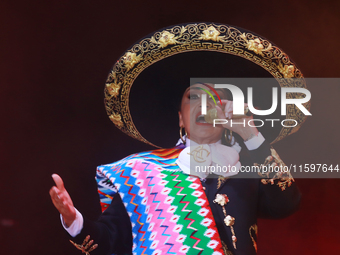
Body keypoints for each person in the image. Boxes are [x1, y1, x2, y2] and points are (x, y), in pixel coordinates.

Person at [50, 23, 308, 255]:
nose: (203, 105)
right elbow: (107, 240)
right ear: (181, 119)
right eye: (193, 97)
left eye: (214, 100)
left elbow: (286, 203)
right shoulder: (143, 172)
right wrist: (73, 219)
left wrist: (250, 134)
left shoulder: (248, 169)